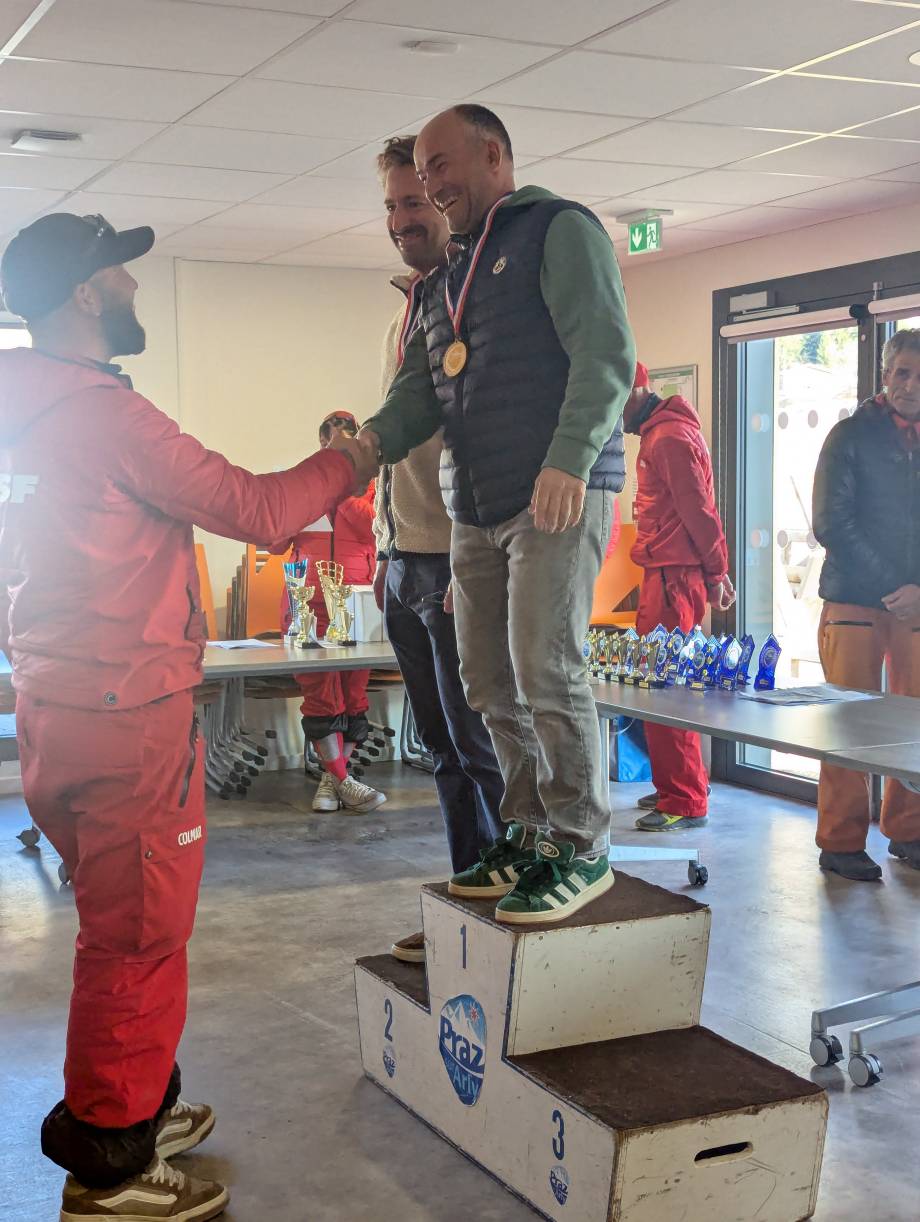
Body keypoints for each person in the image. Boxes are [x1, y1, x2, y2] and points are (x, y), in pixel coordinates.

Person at [0, 212, 375, 1222]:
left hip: (55, 708)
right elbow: (254, 508)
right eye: (117, 271)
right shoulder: (105, 415)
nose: (129, 285)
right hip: (130, 717)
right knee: (138, 936)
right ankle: (110, 1171)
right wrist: (352, 459)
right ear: (85, 294)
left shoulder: (14, 405)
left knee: (111, 924)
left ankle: (131, 1105)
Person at [339, 105, 635, 925]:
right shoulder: (446, 280)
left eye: (442, 165)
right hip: (476, 503)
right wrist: (363, 447)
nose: (430, 184)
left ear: (494, 155)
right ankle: (532, 830)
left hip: (554, 493)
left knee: (548, 670)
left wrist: (570, 459)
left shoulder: (557, 230)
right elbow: (415, 394)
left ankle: (582, 844)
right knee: (487, 682)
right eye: (422, 173)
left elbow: (606, 354)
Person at [372, 135, 505, 963]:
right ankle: (469, 904)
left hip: (456, 559)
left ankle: (501, 912)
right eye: (389, 205)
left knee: (481, 744)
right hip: (404, 558)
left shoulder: (475, 304)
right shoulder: (409, 308)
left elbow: (485, 439)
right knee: (445, 753)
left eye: (413, 202)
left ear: (446, 201)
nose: (400, 220)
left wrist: (469, 556)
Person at [812, 328, 920, 881]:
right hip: (854, 600)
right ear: (885, 375)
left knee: (914, 727)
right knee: (848, 727)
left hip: (916, 608)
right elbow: (832, 523)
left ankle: (908, 831)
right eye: (902, 372)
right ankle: (841, 842)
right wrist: (892, 588)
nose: (911, 385)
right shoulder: (849, 436)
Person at [623, 362, 734, 831]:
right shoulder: (660, 433)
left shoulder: (667, 437)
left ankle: (685, 799)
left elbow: (699, 511)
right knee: (661, 688)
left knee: (666, 690)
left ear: (636, 390)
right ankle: (680, 785)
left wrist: (717, 572)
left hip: (673, 577)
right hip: (665, 573)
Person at [277, 410, 386, 815]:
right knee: (320, 695)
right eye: (329, 439)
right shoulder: (308, 484)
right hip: (306, 603)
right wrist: (299, 504)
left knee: (354, 695)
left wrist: (345, 491)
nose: (336, 445)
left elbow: (377, 530)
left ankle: (331, 779)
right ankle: (343, 780)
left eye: (344, 438)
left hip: (358, 603)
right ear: (322, 443)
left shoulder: (372, 485)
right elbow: (274, 542)